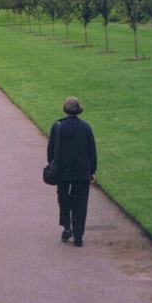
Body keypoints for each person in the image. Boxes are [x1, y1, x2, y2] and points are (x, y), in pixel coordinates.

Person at [46, 97, 97, 247]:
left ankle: (67, 226)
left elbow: (51, 150)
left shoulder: (58, 126)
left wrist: (52, 164)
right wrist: (92, 170)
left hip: (63, 170)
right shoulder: (86, 127)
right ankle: (79, 236)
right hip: (82, 170)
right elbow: (91, 151)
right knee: (80, 202)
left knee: (63, 197)